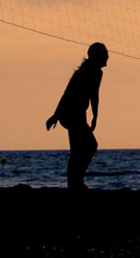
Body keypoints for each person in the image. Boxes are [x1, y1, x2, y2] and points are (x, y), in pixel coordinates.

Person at [46, 42, 109, 190]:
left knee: (80, 149)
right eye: (105, 54)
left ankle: (75, 182)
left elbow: (94, 95)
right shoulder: (82, 73)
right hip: (70, 113)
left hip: (79, 113)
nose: (107, 57)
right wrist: (55, 115)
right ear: (96, 57)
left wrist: (95, 116)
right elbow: (66, 94)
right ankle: (76, 181)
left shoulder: (98, 73)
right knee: (89, 146)